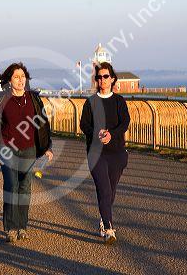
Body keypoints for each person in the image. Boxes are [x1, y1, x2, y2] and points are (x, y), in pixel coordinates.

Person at [0, 62, 53, 243]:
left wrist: (47, 147)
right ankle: (10, 228)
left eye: (23, 76)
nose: (20, 80)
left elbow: (42, 123)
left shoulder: (33, 99)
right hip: (8, 150)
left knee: (25, 189)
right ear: (9, 80)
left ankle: (22, 226)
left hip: (29, 150)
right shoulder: (1, 99)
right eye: (16, 77)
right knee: (11, 187)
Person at [80, 62, 130, 245]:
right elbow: (84, 125)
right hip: (96, 153)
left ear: (113, 79)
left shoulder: (119, 101)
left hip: (117, 152)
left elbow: (125, 122)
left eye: (106, 76)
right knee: (104, 189)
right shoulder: (90, 102)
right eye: (99, 77)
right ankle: (109, 228)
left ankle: (103, 217)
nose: (102, 80)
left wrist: (112, 134)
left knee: (111, 190)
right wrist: (97, 134)